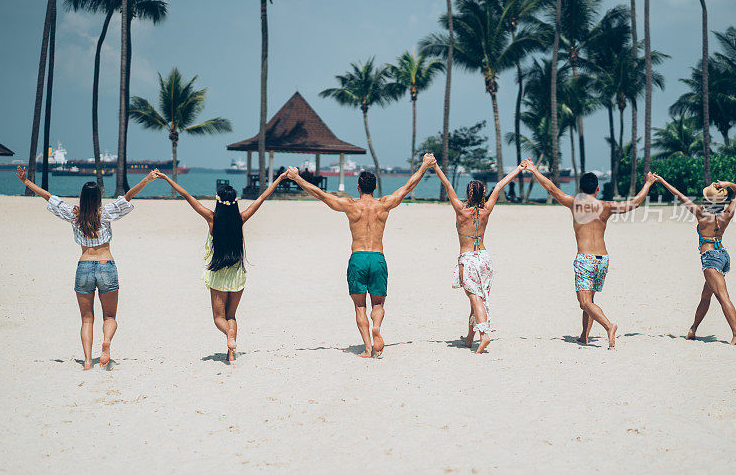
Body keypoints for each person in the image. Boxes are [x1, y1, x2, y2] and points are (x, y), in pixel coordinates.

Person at [286, 153, 436, 358]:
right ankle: (377, 327)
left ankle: (367, 347)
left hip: (358, 258)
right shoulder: (384, 204)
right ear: (375, 188)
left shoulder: (350, 206)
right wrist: (424, 166)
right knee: (378, 304)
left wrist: (297, 178)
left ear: (358, 187)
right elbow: (408, 187)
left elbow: (320, 194)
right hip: (377, 257)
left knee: (359, 306)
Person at [16, 166, 158, 369]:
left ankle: (88, 362)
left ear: (82, 197)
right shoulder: (106, 212)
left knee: (86, 319)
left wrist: (27, 182)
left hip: (84, 266)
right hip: (105, 264)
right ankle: (106, 341)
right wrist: (147, 179)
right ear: (99, 198)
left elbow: (50, 198)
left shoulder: (74, 214)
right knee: (109, 316)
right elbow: (128, 196)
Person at [158, 169, 287, 361]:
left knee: (219, 318)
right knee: (231, 315)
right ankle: (231, 353)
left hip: (218, 274)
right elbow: (261, 199)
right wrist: (280, 178)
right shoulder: (240, 218)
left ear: (217, 200)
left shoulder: (212, 219)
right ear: (235, 201)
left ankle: (229, 335)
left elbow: (186, 196)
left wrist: (167, 178)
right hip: (237, 274)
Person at [525, 161, 657, 349]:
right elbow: (634, 203)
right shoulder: (607, 206)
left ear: (579, 188)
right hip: (603, 260)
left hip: (585, 259)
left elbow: (552, 189)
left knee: (585, 302)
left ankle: (609, 326)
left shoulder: (575, 203)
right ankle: (584, 336)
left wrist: (534, 170)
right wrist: (648, 184)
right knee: (590, 301)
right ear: (597, 188)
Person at [433, 160, 529, 353]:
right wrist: (518, 169)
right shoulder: (487, 210)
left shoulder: (461, 211)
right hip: (484, 258)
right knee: (477, 299)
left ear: (468, 194)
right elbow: (500, 185)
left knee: (475, 298)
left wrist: (435, 166)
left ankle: (484, 335)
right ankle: (470, 338)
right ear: (483, 194)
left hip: (468, 258)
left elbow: (448, 185)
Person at [654, 176, 736, 345]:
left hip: (710, 259)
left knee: (723, 297)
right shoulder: (727, 214)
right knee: (705, 297)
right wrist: (728, 185)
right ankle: (693, 329)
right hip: (723, 255)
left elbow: (679, 195)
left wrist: (662, 181)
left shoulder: (701, 214)